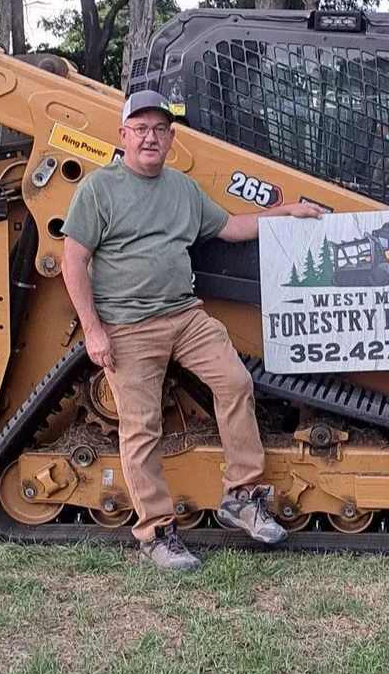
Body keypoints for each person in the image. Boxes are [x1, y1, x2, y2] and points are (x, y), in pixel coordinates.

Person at [61, 90, 324, 571]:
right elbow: (72, 260)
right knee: (141, 428)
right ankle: (156, 532)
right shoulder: (99, 189)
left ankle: (241, 497)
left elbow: (230, 228)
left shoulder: (181, 189)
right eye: (140, 129)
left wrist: (284, 214)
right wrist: (93, 331)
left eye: (159, 130)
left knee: (236, 382)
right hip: (126, 326)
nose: (150, 137)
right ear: (122, 136)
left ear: (171, 138)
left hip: (185, 317)